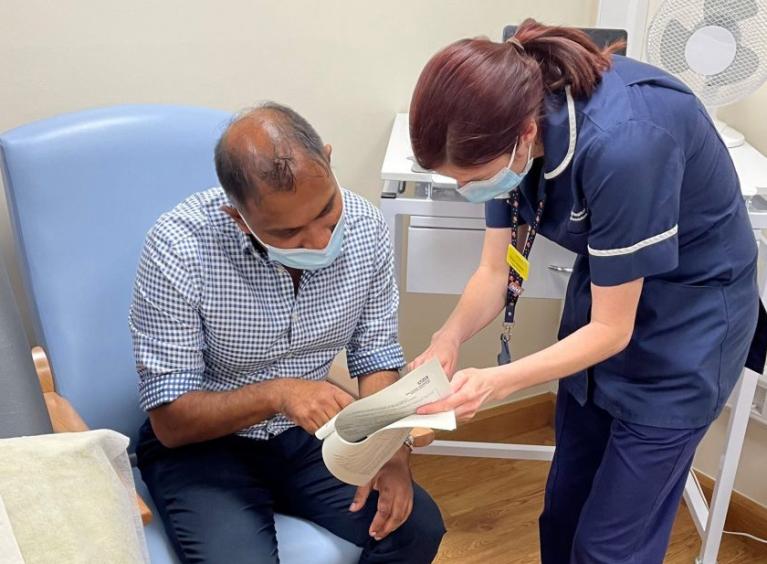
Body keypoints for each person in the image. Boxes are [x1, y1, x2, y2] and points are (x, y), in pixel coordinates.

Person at [408, 19, 767, 564]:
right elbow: (493, 272)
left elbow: (613, 329)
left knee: (608, 549)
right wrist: (446, 340)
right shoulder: (499, 134)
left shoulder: (625, 144)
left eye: (470, 177)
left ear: (524, 134)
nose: (467, 189)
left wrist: (495, 381)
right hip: (606, 299)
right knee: (563, 516)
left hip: (689, 328)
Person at [130, 102, 445, 563]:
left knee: (414, 529)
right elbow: (171, 424)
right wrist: (279, 394)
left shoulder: (366, 229)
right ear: (240, 218)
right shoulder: (179, 247)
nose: (320, 241)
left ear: (329, 160)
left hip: (308, 437)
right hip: (204, 450)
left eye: (326, 212)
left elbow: (375, 353)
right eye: (290, 232)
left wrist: (390, 450)